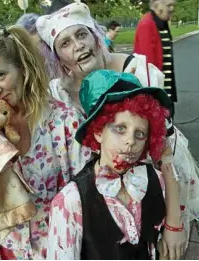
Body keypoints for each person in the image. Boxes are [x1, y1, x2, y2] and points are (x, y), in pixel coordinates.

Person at [36, 3, 199, 258]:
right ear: (58, 57)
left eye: (81, 35)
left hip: (153, 190)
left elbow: (166, 157)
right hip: (95, 202)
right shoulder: (58, 94)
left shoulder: (139, 72)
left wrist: (173, 223)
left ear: (95, 36)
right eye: (65, 43)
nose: (78, 45)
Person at [0, 25, 90, 259]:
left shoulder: (64, 120)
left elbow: (85, 191)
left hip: (59, 244)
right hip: (4, 247)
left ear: (23, 68)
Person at [47, 70, 172, 259]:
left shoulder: (156, 181)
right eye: (120, 129)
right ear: (98, 132)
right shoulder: (70, 202)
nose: (130, 141)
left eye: (140, 134)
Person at [134, 0, 178, 103]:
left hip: (164, 89)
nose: (172, 9)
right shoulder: (147, 24)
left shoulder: (161, 23)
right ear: (157, 5)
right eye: (169, 5)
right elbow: (148, 66)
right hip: (155, 93)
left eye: (173, 5)